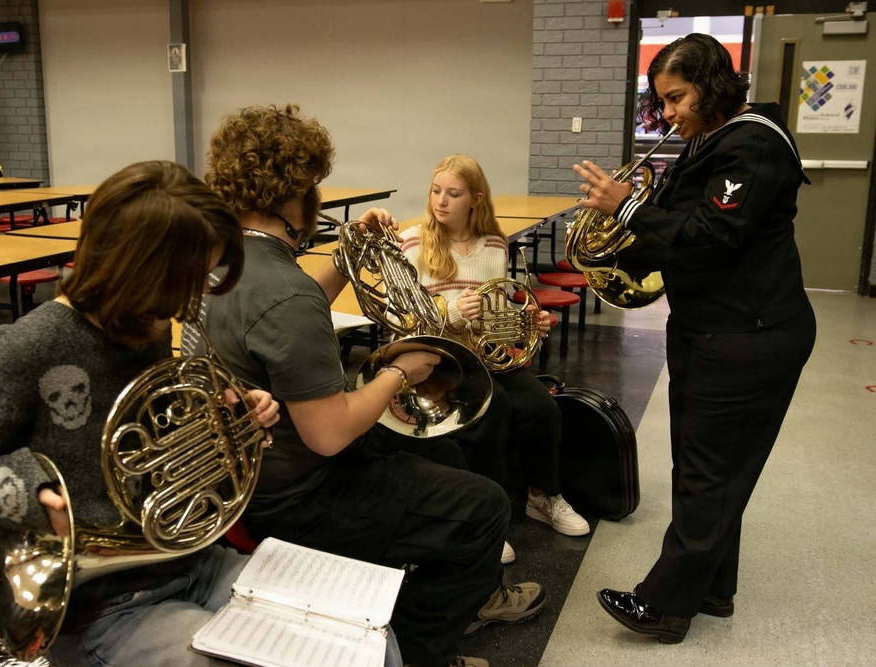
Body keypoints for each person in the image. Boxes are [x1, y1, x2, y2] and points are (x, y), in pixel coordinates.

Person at [0, 160, 318, 667]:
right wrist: (36, 496)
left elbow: (145, 430)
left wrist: (225, 419)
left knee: (353, 629)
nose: (194, 297)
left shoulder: (144, 325)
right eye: (186, 280)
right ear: (136, 270)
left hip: (188, 560)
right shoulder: (40, 341)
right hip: (105, 604)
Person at [198, 103, 546, 667]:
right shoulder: (286, 295)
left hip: (245, 476)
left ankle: (425, 594)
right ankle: (420, 651)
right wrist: (398, 372)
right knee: (482, 507)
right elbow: (330, 434)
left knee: (450, 451)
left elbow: (293, 300)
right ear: (297, 195)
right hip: (297, 492)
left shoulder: (225, 262)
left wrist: (346, 257)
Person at [573, 33, 816, 644]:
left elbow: (712, 235)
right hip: (711, 326)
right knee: (705, 466)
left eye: (677, 98)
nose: (669, 113)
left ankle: (664, 606)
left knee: (710, 472)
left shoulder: (755, 144)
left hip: (748, 335)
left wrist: (627, 208)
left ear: (712, 84)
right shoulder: (710, 138)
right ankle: (712, 588)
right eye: (663, 102)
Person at [399, 155, 591, 560]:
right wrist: (451, 314)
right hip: (441, 361)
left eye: (453, 193)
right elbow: (406, 321)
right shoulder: (414, 241)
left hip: (487, 357)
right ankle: (485, 517)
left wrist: (525, 323)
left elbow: (497, 311)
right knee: (494, 409)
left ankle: (543, 496)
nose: (441, 201)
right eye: (436, 191)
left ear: (476, 198)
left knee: (542, 407)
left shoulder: (494, 245)